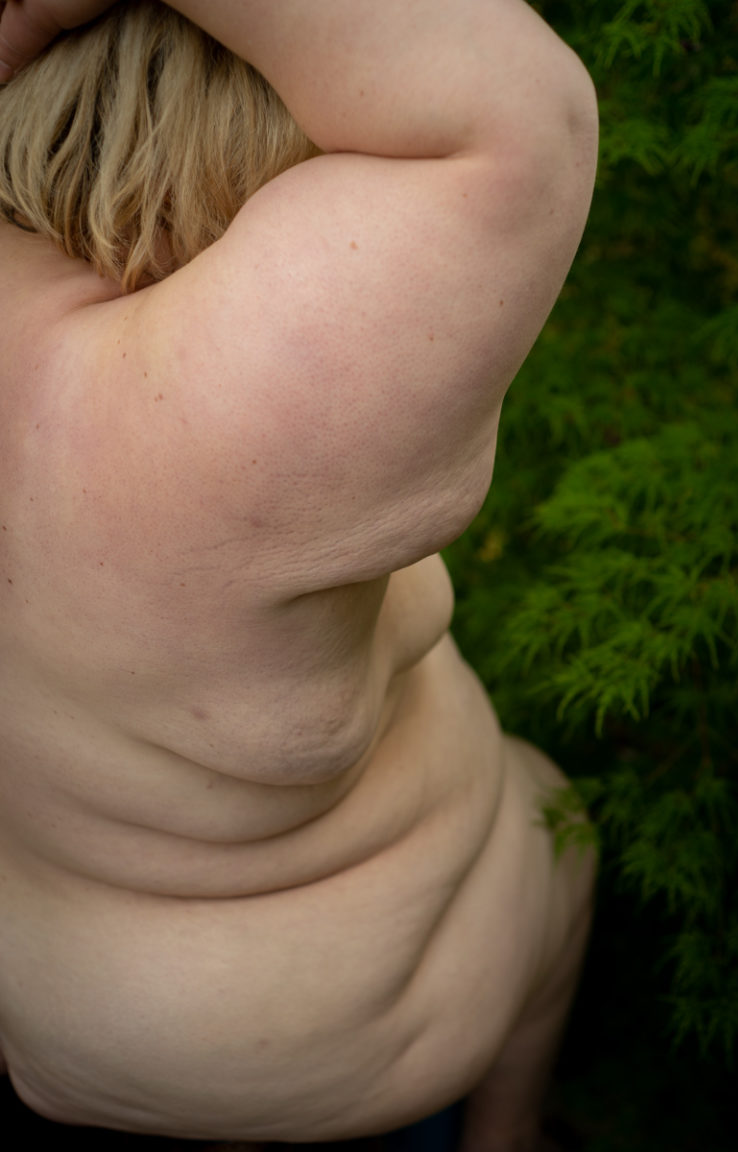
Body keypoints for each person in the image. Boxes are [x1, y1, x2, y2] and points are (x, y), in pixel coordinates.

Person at [0, 2, 599, 1149]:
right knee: (554, 824)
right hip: (300, 1058)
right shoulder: (205, 417)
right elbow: (519, 117)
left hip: (72, 1000)